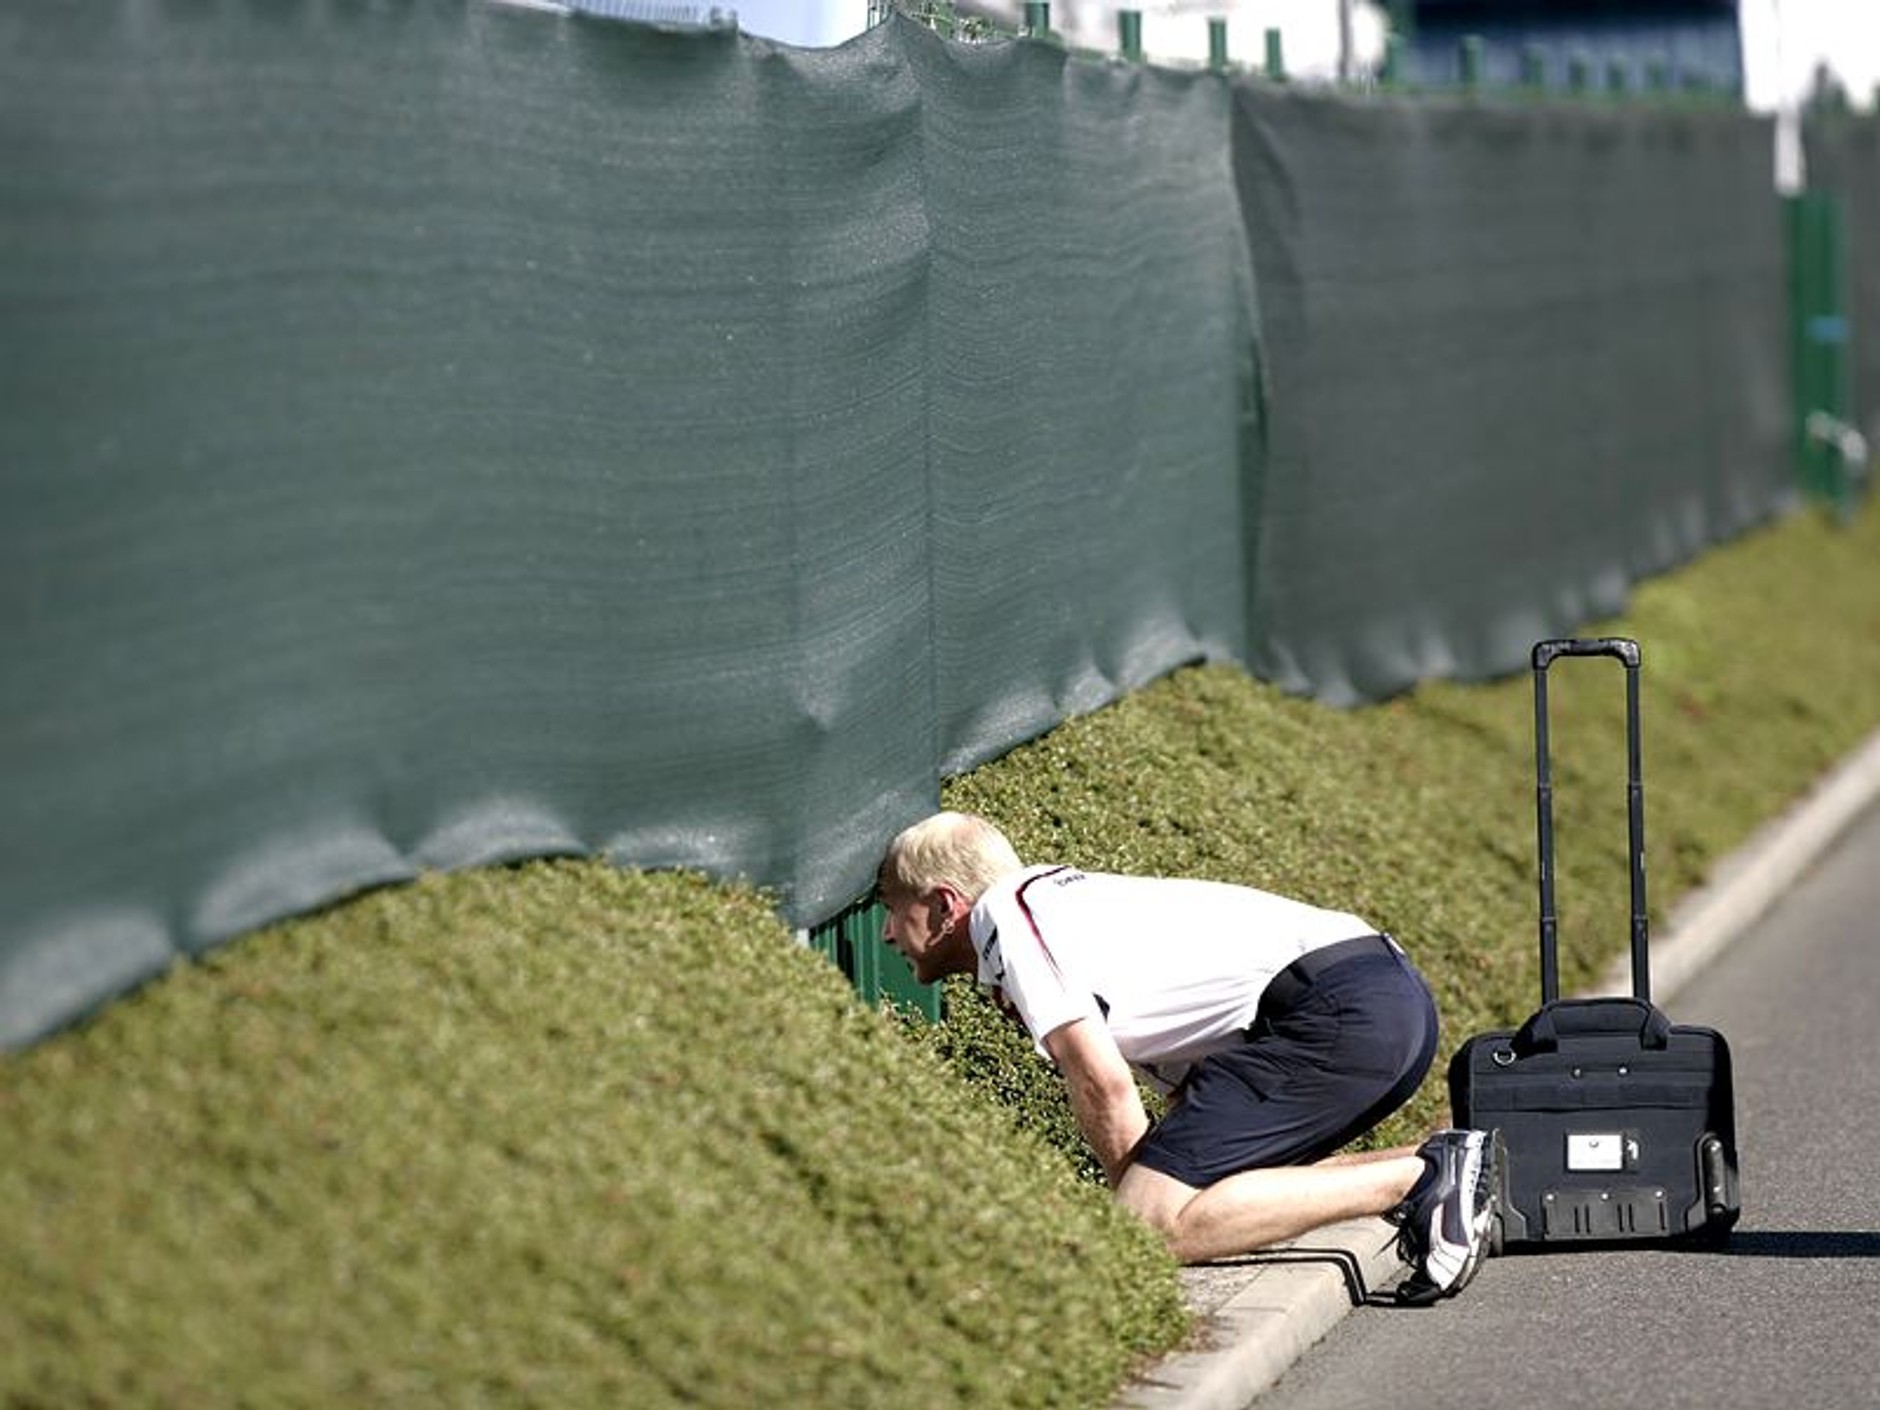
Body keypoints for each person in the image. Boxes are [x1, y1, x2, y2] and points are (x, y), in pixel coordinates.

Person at [876, 810, 1497, 1303]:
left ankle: (1418, 1179)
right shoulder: (1062, 907)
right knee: (1205, 1202)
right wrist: (1163, 1197)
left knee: (1151, 1226)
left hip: (1343, 1013)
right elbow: (1187, 1097)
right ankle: (1444, 1162)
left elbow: (1103, 1086)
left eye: (891, 911)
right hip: (1379, 1003)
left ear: (944, 903)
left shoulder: (1006, 914)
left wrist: (1137, 1229)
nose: (885, 934)